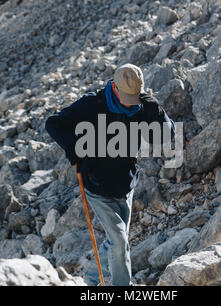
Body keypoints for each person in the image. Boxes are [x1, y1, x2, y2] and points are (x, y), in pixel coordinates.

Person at [45, 63, 175, 286]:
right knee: (119, 240)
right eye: (126, 96)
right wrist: (75, 147)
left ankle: (92, 279)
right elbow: (54, 123)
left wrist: (159, 113)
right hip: (97, 186)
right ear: (114, 87)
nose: (129, 101)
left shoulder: (143, 106)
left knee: (117, 241)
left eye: (134, 96)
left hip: (125, 185)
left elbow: (166, 137)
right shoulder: (92, 104)